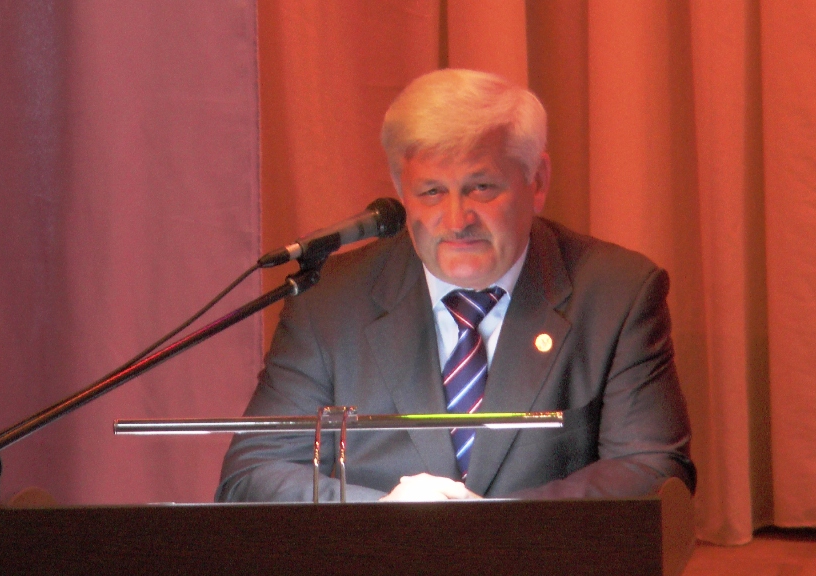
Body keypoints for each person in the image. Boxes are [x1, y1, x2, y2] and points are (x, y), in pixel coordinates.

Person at [216, 68, 695, 502]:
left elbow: (651, 466)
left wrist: (492, 526)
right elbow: (252, 472)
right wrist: (381, 513)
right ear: (401, 191)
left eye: (481, 187)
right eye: (431, 192)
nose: (456, 219)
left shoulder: (616, 293)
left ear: (537, 181)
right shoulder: (328, 303)